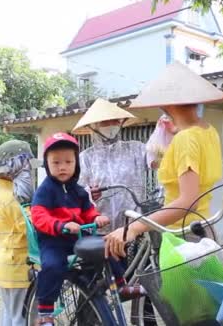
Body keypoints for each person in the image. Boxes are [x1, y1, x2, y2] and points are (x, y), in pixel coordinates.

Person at [104, 62, 223, 259]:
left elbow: (188, 201)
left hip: (185, 239)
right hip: (203, 231)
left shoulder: (186, 139)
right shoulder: (208, 131)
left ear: (166, 103)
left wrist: (134, 228)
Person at [31, 132, 143, 326]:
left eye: (68, 161)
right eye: (56, 162)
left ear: (76, 164)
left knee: (109, 247)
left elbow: (88, 211)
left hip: (78, 239)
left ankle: (120, 286)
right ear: (47, 165)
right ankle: (45, 312)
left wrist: (97, 217)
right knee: (52, 265)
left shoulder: (79, 190)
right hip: (54, 240)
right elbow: (39, 216)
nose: (63, 167)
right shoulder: (45, 190)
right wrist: (61, 225)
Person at [72, 98, 148, 230]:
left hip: (133, 226)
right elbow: (75, 192)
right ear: (94, 126)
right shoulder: (85, 158)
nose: (111, 124)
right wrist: (89, 193)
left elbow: (158, 160)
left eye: (115, 120)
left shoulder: (136, 149)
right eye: (105, 121)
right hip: (100, 227)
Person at [0, 140, 36, 326]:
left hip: (6, 265)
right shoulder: (13, 198)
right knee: (21, 318)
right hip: (18, 267)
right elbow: (31, 228)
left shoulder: (3, 191)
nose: (28, 170)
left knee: (10, 314)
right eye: (25, 165)